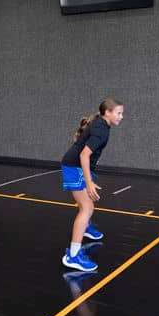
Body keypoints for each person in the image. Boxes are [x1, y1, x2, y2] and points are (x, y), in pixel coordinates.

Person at [61, 98, 125, 271]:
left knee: (88, 203)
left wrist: (89, 181)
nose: (121, 116)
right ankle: (73, 256)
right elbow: (84, 155)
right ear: (107, 113)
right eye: (118, 113)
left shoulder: (101, 124)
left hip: (78, 167)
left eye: (122, 113)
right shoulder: (101, 130)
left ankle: (86, 226)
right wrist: (88, 183)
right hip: (74, 167)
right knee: (87, 208)